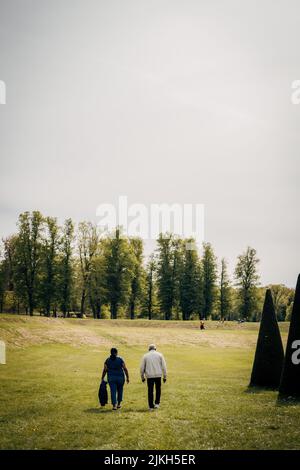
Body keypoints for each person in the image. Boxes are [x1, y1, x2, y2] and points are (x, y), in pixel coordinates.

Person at [140, 344, 167, 410]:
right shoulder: (160, 355)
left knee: (150, 391)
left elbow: (142, 367)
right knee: (158, 390)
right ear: (155, 349)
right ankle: (157, 404)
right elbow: (164, 366)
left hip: (149, 376)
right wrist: (165, 376)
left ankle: (151, 406)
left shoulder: (145, 356)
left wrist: (142, 377)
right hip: (158, 375)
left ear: (149, 349)